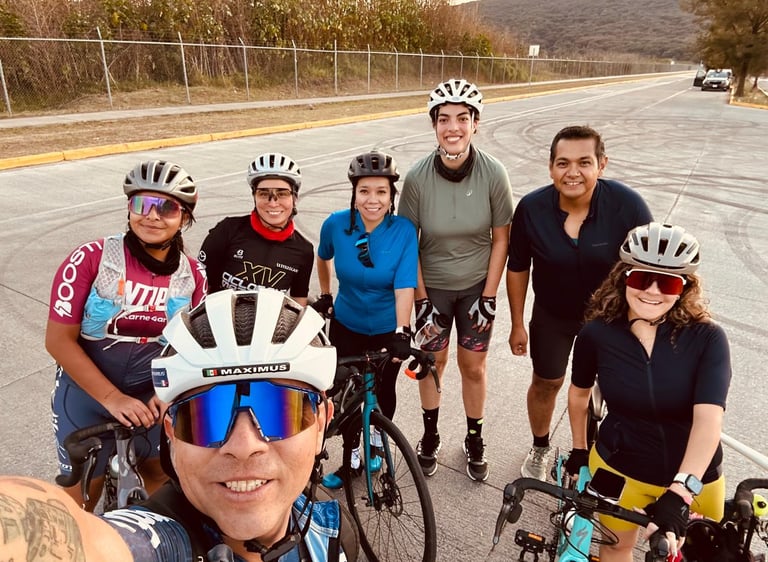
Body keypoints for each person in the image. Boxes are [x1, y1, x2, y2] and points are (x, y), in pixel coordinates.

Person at [3, 288, 350, 561]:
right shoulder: (157, 543)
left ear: (322, 424)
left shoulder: (334, 533)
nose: (244, 446)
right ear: (170, 435)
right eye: (206, 416)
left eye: (280, 412)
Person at [47, 159, 207, 511]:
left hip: (151, 399)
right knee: (78, 503)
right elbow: (58, 341)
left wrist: (167, 393)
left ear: (185, 218)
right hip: (87, 396)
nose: (152, 216)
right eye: (141, 204)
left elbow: (193, 347)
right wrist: (112, 398)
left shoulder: (194, 275)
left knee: (159, 479)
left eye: (167, 208)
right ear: (129, 208)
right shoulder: (91, 259)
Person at [566, 223, 731, 562]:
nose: (652, 292)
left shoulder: (708, 338)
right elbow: (579, 394)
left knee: (702, 555)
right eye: (642, 279)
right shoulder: (596, 335)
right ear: (624, 277)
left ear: (684, 288)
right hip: (619, 469)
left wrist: (681, 491)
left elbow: (708, 420)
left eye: (667, 283)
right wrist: (580, 450)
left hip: (697, 479)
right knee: (615, 548)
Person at [506, 125, 653, 481]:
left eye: (584, 162)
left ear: (602, 164)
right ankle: (540, 447)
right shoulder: (531, 208)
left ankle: (596, 453)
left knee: (609, 390)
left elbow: (651, 268)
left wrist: (646, 324)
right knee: (547, 382)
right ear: (550, 167)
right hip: (552, 316)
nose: (572, 172)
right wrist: (517, 323)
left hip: (611, 319)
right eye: (563, 163)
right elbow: (518, 267)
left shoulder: (628, 205)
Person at [398, 78, 514, 482]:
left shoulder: (493, 172)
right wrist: (422, 299)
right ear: (434, 125)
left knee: (473, 367)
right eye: (444, 119)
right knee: (432, 364)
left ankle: (474, 438)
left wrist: (489, 296)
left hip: (476, 288)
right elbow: (408, 243)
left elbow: (502, 238)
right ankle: (430, 436)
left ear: (475, 124)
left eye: (462, 118)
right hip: (432, 288)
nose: (453, 127)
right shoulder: (417, 178)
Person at [313, 150, 418, 489]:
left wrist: (402, 330)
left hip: (387, 327)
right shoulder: (335, 224)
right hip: (347, 325)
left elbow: (404, 285)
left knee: (384, 391)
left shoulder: (403, 231)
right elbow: (322, 256)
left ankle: (376, 441)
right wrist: (326, 293)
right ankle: (352, 455)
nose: (373, 200)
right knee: (345, 396)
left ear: (392, 195)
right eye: (365, 191)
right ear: (354, 193)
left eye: (381, 192)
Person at [198, 152, 313, 305]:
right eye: (264, 194)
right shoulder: (228, 230)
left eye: (282, 194)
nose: (273, 203)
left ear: (295, 198)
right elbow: (200, 288)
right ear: (254, 197)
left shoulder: (304, 250)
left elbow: (298, 303)